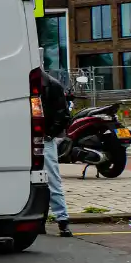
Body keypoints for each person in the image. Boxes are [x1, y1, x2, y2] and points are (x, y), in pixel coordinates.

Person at [43, 69, 73, 238]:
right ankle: (60, 220)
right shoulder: (50, 83)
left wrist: (50, 133)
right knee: (51, 179)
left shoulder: (51, 85)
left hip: (43, 137)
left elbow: (63, 114)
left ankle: (62, 219)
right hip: (42, 136)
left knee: (52, 178)